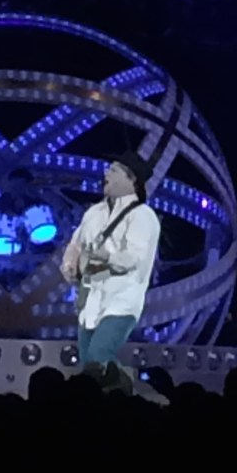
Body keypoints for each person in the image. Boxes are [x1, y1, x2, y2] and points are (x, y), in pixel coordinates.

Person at [60, 151, 161, 384]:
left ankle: (125, 386)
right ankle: (116, 392)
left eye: (114, 170)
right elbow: (76, 243)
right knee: (89, 365)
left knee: (98, 357)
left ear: (131, 179)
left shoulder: (143, 216)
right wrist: (69, 263)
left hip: (121, 300)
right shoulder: (94, 213)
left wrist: (104, 256)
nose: (107, 173)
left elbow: (133, 258)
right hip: (89, 300)